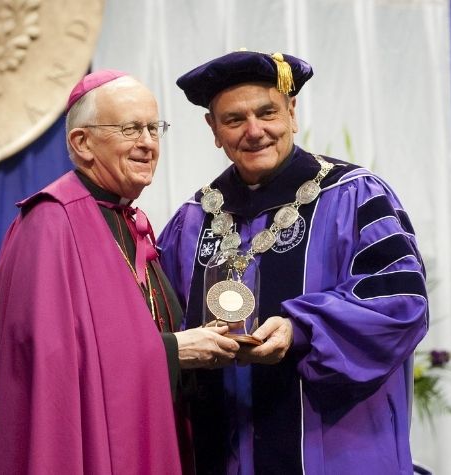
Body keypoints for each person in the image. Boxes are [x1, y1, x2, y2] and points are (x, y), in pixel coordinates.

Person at [157, 50, 429, 474]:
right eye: (234, 120)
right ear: (213, 129)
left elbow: (401, 304)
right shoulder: (192, 221)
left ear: (292, 111)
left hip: (336, 450)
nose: (254, 131)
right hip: (225, 452)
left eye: (267, 113)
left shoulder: (355, 197)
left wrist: (300, 328)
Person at [0, 70, 238, 474]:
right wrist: (174, 351)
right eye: (130, 129)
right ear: (82, 143)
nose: (147, 143)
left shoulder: (130, 221)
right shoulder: (51, 223)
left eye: (154, 129)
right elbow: (53, 365)